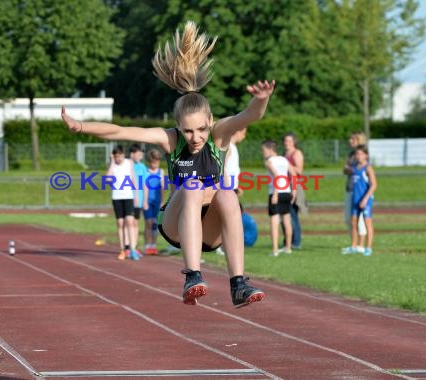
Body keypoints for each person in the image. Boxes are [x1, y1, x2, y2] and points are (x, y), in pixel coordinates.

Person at [61, 20, 275, 307]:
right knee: (193, 185)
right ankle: (192, 276)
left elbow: (249, 116)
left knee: (227, 192)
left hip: (210, 230)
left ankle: (238, 284)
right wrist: (81, 126)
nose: (196, 137)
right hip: (176, 224)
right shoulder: (170, 139)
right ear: (177, 126)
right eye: (188, 131)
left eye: (201, 129)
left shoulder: (219, 135)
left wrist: (261, 100)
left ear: (210, 122)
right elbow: (119, 131)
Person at [214, 127, 246, 256]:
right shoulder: (229, 147)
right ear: (237, 131)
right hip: (227, 188)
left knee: (230, 218)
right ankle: (219, 245)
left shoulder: (233, 147)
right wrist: (229, 187)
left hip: (231, 187)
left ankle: (224, 246)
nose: (244, 136)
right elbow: (223, 168)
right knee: (227, 219)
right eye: (243, 133)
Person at [262, 140, 297, 256]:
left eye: (264, 150)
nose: (263, 153)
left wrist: (276, 193)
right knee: (287, 220)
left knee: (274, 221)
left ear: (270, 149)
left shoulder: (269, 161)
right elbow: (294, 174)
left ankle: (275, 250)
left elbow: (276, 176)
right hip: (287, 192)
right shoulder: (284, 159)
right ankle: (288, 248)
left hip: (276, 192)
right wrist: (294, 190)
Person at [106, 146, 141, 261]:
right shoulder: (113, 165)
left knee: (130, 222)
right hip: (117, 197)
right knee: (120, 223)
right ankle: (122, 249)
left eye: (120, 156)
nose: (118, 159)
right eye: (116, 157)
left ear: (123, 155)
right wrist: (111, 162)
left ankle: (132, 249)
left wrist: (136, 195)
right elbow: (108, 179)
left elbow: (134, 178)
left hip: (128, 196)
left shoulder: (129, 163)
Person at [345, 145, 377, 256]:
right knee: (353, 223)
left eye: (361, 154)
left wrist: (365, 199)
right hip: (355, 199)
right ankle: (353, 246)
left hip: (365, 200)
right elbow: (346, 171)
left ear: (366, 155)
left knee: (368, 223)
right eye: (357, 154)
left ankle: (368, 248)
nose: (358, 156)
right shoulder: (354, 167)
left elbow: (373, 185)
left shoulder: (368, 168)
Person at [342, 132, 368, 254]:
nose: (350, 141)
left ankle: (361, 245)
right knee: (349, 218)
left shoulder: (362, 155)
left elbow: (359, 169)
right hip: (349, 188)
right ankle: (353, 244)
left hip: (360, 190)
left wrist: (350, 169)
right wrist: (349, 169)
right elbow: (345, 169)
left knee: (360, 219)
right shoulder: (351, 155)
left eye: (352, 139)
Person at [282, 132, 305, 249]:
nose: (287, 143)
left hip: (294, 185)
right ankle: (287, 240)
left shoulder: (297, 153)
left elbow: (299, 171)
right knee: (285, 214)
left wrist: (287, 165)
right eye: (285, 141)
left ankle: (296, 242)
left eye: (289, 141)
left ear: (294, 142)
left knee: (292, 214)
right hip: (283, 185)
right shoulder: (284, 154)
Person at [129, 144, 149, 256]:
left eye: (142, 154)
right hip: (127, 198)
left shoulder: (142, 167)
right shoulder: (126, 165)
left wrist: (145, 201)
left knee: (135, 223)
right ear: (132, 154)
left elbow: (146, 185)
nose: (141, 156)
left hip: (139, 199)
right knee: (129, 223)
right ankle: (128, 247)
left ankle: (134, 247)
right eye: (139, 154)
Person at [144, 148, 165, 255]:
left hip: (157, 201)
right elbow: (145, 187)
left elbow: (162, 188)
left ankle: (153, 246)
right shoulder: (146, 171)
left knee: (155, 224)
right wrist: (145, 202)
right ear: (149, 161)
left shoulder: (161, 172)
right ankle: (147, 246)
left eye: (157, 162)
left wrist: (162, 201)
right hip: (148, 201)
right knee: (148, 223)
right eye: (153, 162)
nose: (155, 164)